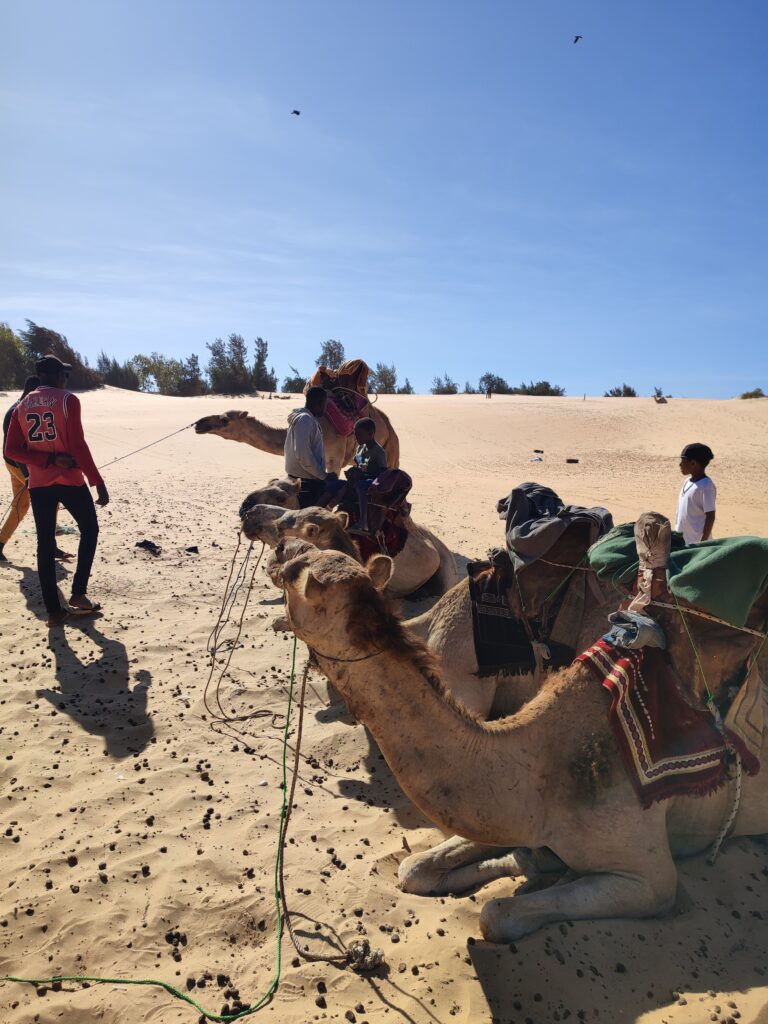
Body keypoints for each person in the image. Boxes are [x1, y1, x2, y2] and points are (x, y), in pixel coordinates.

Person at [4, 354, 109, 625]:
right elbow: (78, 445)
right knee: (90, 530)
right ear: (55, 375)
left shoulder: (21, 406)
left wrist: (45, 461)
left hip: (39, 484)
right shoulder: (67, 400)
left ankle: (53, 611)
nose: (66, 379)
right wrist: (97, 481)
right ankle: (78, 594)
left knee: (44, 543)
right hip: (70, 481)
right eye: (64, 374)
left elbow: (11, 450)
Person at [284, 386, 337, 508]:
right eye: (325, 404)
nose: (325, 408)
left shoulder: (305, 419)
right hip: (306, 483)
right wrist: (324, 476)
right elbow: (303, 454)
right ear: (319, 403)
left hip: (304, 480)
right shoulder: (305, 420)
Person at [346, 417, 388, 533]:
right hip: (360, 479)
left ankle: (363, 522)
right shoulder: (360, 448)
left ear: (371, 434)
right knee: (337, 485)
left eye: (359, 434)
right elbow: (359, 465)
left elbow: (382, 473)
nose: (356, 437)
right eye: (355, 434)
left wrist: (362, 475)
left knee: (361, 485)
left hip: (373, 483)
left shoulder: (379, 452)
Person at [676, 443, 716, 545]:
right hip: (682, 539)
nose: (680, 464)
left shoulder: (706, 486)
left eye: (682, 461)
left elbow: (710, 516)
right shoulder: (687, 481)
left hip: (696, 543)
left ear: (693, 463)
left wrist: (703, 542)